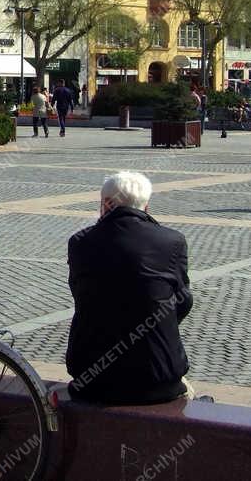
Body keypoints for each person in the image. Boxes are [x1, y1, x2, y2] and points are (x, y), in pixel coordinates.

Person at [66, 171, 193, 405]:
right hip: (159, 380)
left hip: (92, 380)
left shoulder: (80, 242)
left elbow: (81, 296)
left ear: (105, 204)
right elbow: (183, 301)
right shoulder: (172, 241)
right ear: (146, 206)